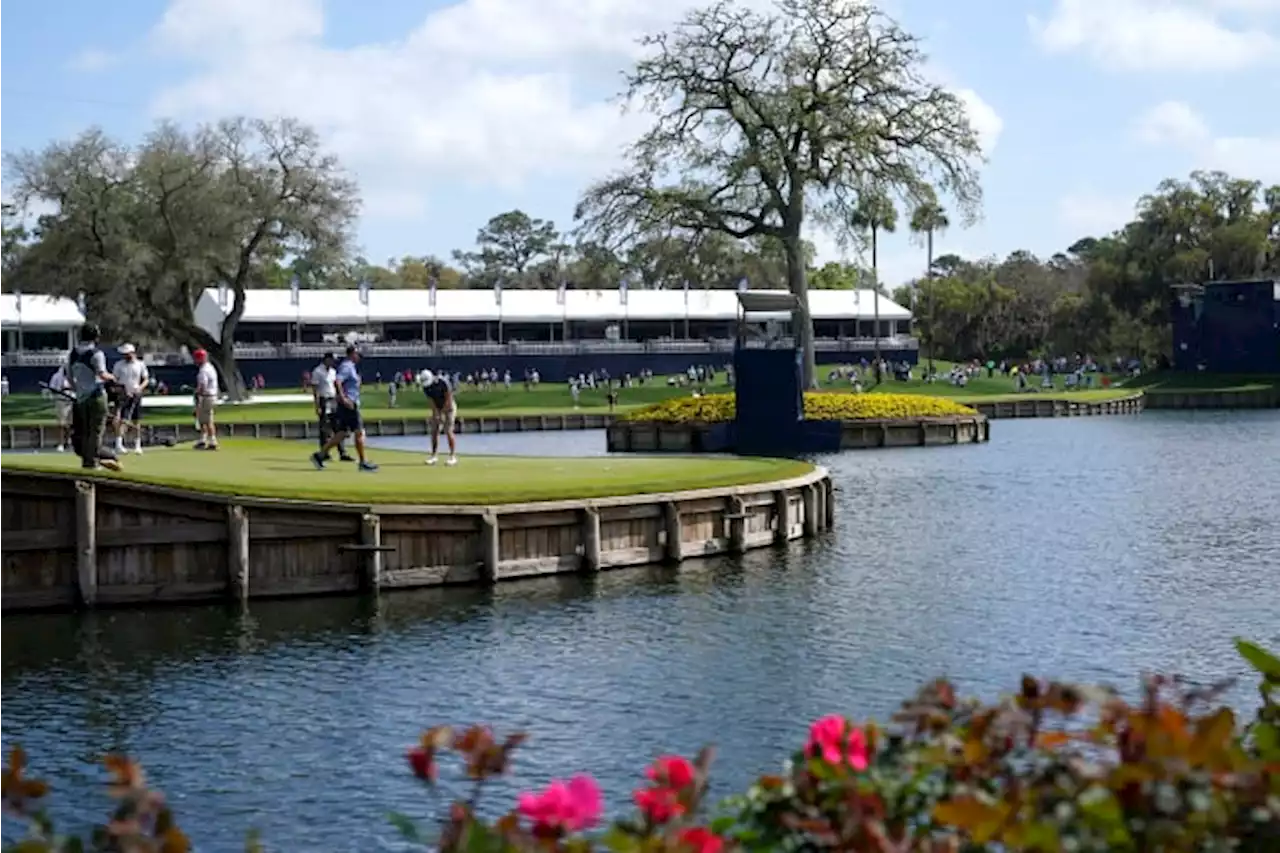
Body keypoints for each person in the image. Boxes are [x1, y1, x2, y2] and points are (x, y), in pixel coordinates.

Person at [312, 345, 377, 472]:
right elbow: (338, 381)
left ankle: (319, 455)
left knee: (342, 433)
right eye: (357, 354)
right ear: (352, 354)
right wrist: (344, 398)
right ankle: (363, 462)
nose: (359, 357)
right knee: (359, 431)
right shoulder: (347, 367)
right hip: (349, 404)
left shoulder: (350, 367)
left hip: (348, 403)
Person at [67, 323, 120, 471]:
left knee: (84, 432)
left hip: (81, 398)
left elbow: (70, 377)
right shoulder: (96, 354)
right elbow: (102, 374)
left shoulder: (73, 354)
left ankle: (87, 461)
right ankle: (92, 463)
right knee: (96, 432)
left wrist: (77, 390)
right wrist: (114, 378)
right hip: (96, 396)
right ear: (96, 336)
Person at [310, 352, 351, 462]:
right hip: (324, 399)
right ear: (327, 359)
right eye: (332, 360)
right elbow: (315, 390)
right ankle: (324, 452)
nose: (334, 362)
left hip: (333, 400)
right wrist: (317, 405)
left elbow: (336, 386)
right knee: (324, 428)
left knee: (338, 426)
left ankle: (342, 452)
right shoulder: (318, 371)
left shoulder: (333, 372)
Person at [112, 343, 150, 455]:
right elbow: (115, 380)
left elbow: (146, 379)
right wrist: (123, 391)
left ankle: (137, 446)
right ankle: (119, 445)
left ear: (132, 353)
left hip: (136, 395)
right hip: (123, 396)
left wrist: (140, 388)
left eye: (127, 354)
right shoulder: (118, 365)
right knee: (122, 420)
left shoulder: (140, 364)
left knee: (136, 420)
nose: (125, 356)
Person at [418, 369, 457, 466]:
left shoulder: (442, 382)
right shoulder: (426, 387)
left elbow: (449, 398)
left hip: (450, 408)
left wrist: (443, 413)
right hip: (438, 408)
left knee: (448, 430)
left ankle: (452, 457)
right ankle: (434, 456)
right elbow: (431, 401)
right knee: (434, 431)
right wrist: (436, 414)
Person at [193, 349, 219, 450]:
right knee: (202, 419)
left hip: (207, 397)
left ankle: (213, 441)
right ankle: (202, 440)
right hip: (210, 396)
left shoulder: (204, 370)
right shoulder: (210, 367)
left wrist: (197, 393)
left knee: (207, 420)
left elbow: (203, 385)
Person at [48, 365, 72, 452]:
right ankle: (61, 443)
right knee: (61, 424)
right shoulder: (56, 376)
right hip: (61, 401)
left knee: (70, 424)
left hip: (72, 400)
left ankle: (69, 441)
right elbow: (52, 388)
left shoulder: (75, 374)